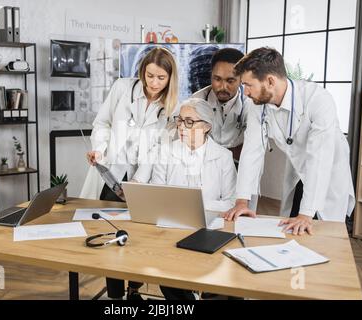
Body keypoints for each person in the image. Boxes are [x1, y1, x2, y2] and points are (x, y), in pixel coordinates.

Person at [222, 47, 355, 236]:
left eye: (248, 85)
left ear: (270, 81)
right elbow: (252, 151)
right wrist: (242, 201)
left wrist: (306, 213)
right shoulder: (258, 105)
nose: (245, 93)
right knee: (291, 228)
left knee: (323, 232)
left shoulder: (318, 100)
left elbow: (319, 158)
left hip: (328, 171)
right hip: (297, 169)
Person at [80, 46, 179, 300]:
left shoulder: (172, 106)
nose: (154, 83)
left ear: (170, 78)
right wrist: (99, 151)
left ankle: (134, 289)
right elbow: (102, 123)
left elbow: (159, 148)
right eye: (149, 76)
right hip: (110, 171)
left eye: (161, 78)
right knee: (108, 232)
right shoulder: (122, 88)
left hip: (139, 178)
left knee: (137, 236)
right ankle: (115, 296)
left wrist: (137, 182)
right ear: (141, 72)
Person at [133, 98, 237, 299]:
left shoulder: (223, 156)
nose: (181, 126)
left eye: (189, 121)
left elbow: (231, 202)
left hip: (211, 228)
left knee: (219, 280)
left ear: (206, 126)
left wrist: (197, 206)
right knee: (171, 278)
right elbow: (158, 194)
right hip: (174, 228)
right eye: (179, 120)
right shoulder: (166, 151)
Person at [192, 48, 253, 161]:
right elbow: (191, 144)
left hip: (239, 164)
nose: (222, 87)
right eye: (217, 79)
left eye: (230, 81)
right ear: (211, 76)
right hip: (203, 163)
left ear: (241, 79)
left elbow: (253, 146)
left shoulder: (250, 102)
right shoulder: (197, 100)